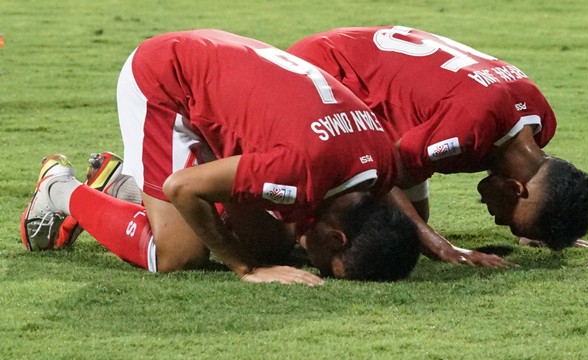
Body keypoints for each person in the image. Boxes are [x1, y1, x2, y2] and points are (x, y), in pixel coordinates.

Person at [20, 29, 421, 284]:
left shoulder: (378, 154)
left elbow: (387, 196)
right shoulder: (298, 170)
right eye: (326, 266)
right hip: (165, 82)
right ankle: (58, 188)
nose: (314, 267)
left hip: (221, 70)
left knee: (273, 243)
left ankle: (122, 184)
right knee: (180, 255)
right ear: (337, 237)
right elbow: (182, 188)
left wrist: (438, 245)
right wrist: (246, 269)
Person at [288, 25, 588, 258]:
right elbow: (380, 174)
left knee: (412, 221)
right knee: (370, 226)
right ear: (516, 188)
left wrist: (541, 222)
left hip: (359, 54)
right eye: (511, 222)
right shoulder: (469, 127)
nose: (500, 222)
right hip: (326, 69)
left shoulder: (539, 119)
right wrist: (443, 247)